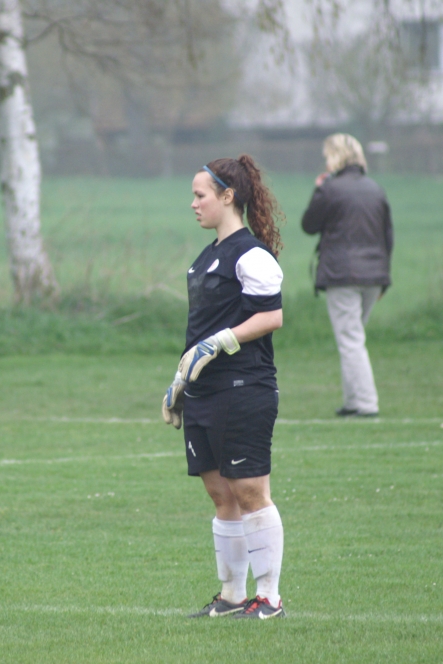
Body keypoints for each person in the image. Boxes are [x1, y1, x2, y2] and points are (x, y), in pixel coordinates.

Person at [161, 155, 286, 620]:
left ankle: (269, 599)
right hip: (204, 393)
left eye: (200, 196)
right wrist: (179, 380)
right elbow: (200, 331)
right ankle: (233, 596)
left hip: (243, 387)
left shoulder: (251, 253)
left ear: (227, 197)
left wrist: (221, 342)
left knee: (250, 490)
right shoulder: (207, 255)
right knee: (220, 494)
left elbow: (271, 316)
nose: (193, 204)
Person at [301, 133, 393, 418]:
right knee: (354, 337)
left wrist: (318, 189)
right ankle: (352, 401)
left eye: (328, 155)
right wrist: (384, 279)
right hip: (374, 275)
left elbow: (309, 224)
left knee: (350, 339)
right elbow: (387, 236)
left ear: (337, 156)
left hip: (342, 275)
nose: (326, 161)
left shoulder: (330, 189)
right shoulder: (375, 189)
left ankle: (366, 404)